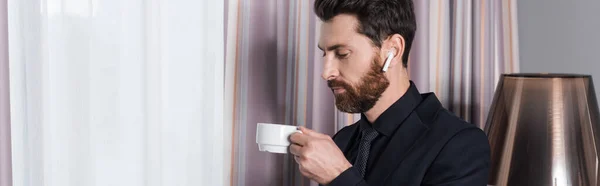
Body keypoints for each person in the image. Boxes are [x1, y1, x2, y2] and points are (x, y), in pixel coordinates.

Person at [288, 0, 491, 185]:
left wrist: (339, 176)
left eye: (342, 54)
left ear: (393, 50)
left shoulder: (460, 144)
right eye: (325, 54)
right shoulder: (342, 141)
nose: (326, 72)